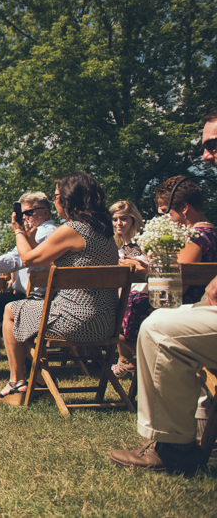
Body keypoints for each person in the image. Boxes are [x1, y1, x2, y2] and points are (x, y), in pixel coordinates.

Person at [108, 109, 217, 473]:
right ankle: (191, 427)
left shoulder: (199, 232)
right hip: (199, 301)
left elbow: (181, 272)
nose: (205, 155)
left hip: (182, 295)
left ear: (182, 209)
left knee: (157, 324)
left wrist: (147, 263)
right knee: (160, 318)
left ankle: (171, 446)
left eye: (212, 145)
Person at [0, 171, 119, 404]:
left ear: (69, 199)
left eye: (57, 195)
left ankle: (17, 384)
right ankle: (38, 382)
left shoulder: (73, 229)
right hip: (106, 323)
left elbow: (28, 260)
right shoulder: (105, 232)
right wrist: (30, 239)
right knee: (25, 309)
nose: (55, 200)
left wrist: (18, 231)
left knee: (11, 310)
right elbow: (50, 263)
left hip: (76, 321)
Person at [0, 192, 57, 354]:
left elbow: (15, 259)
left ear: (46, 212)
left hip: (37, 300)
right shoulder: (38, 232)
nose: (25, 217)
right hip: (31, 296)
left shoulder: (44, 233)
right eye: (22, 214)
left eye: (29, 212)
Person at [155, 176, 217, 305]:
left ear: (184, 208)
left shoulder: (191, 240)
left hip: (192, 310)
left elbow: (176, 290)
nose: (165, 218)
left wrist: (149, 268)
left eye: (167, 211)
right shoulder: (212, 233)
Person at [108, 201, 151, 377]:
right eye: (115, 219)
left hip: (144, 294)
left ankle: (141, 359)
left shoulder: (143, 241)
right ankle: (126, 360)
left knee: (113, 321)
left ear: (134, 219)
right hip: (126, 295)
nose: (118, 223)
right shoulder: (118, 245)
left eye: (123, 219)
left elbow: (151, 267)